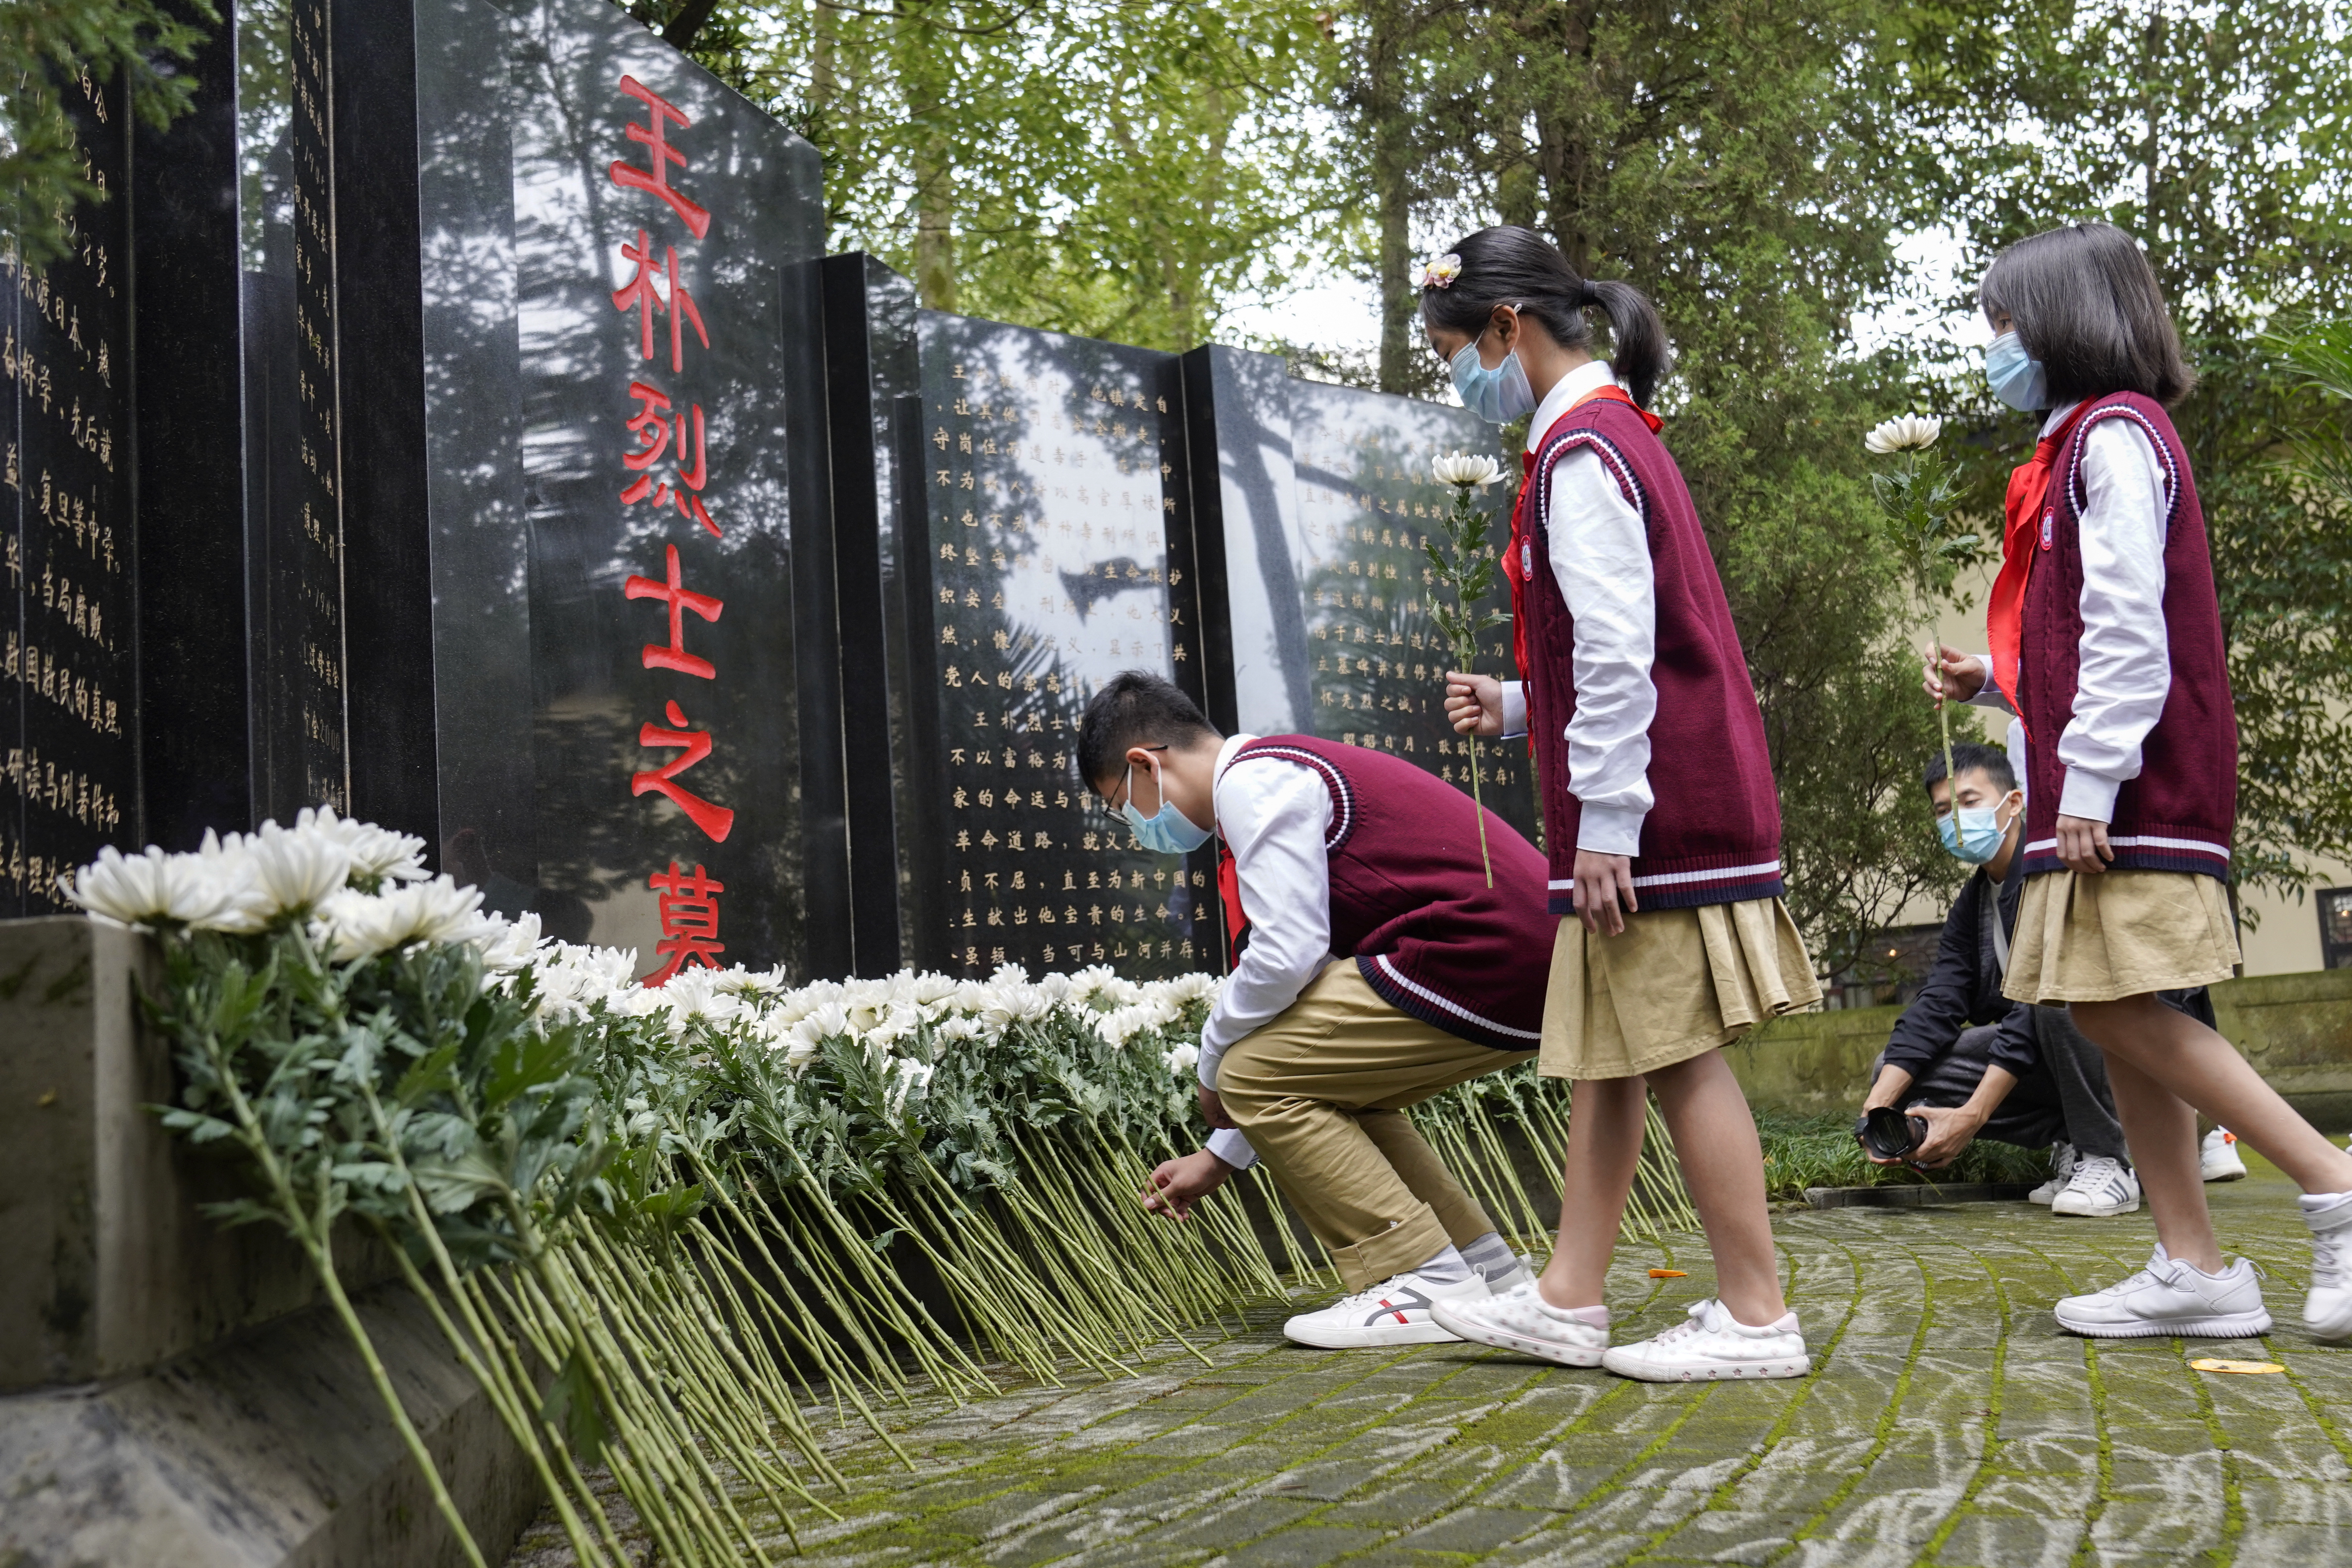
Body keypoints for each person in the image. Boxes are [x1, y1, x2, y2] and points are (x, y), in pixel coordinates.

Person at [1926, 220, 2352, 1341]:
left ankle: (2330, 1183)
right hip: (2108, 788)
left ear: (2061, 322)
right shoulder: (2087, 443)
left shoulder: (2113, 438)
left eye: (2002, 325)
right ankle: (2190, 1262)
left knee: (2114, 1003)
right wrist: (1998, 682)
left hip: (2128, 798)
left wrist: (2087, 789)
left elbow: (2128, 635)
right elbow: (2085, 646)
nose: (1993, 347)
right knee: (2116, 1011)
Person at [1425, 226, 1821, 1382]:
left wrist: (1603, 823)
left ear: (1505, 329)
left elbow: (1616, 651)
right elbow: (1608, 648)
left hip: (1653, 822)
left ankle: (1755, 1314)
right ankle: (1566, 1296)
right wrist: (1511, 705)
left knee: (1678, 1054)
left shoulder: (1582, 455)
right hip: (1661, 801)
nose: (1457, 378)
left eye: (1455, 350)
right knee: (1613, 1053)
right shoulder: (1604, 439)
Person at [1078, 672, 1555, 1348]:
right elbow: (1305, 1025)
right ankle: (1482, 1270)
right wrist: (1222, 1154)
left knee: (1249, 1070)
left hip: (1483, 954)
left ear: (1145, 763)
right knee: (1332, 1086)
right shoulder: (1283, 773)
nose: (1135, 828)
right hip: (1523, 959)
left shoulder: (1253, 782)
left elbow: (1286, 956)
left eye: (1122, 806)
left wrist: (1213, 1065)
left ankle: (1420, 1276)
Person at [1861, 742, 2143, 1217]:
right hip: (2053, 1053)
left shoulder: (2051, 871)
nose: (1955, 820)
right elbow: (1938, 1003)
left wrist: (1972, 1117)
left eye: (1969, 802)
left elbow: (2034, 1002)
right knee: (1894, 1070)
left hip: (2127, 1051)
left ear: (2013, 803)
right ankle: (2073, 1141)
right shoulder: (1974, 901)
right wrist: (1875, 1109)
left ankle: (2110, 1158)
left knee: (2056, 1000)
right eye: (1943, 811)